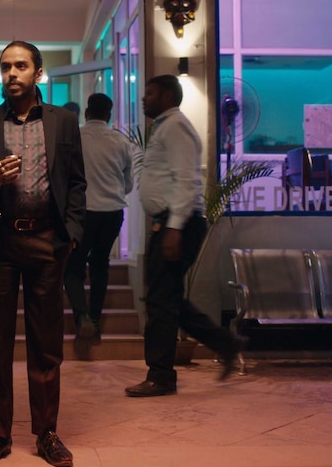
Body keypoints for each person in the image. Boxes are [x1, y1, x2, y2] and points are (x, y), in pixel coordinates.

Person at [0, 40, 86, 467]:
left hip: (48, 243)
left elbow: (77, 183)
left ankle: (47, 433)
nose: (11, 74)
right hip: (0, 244)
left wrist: (72, 233)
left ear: (38, 72)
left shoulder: (65, 122)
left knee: (46, 345)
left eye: (20, 66)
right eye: (5, 67)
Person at [127, 75, 244, 398]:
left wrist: (174, 228)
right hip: (168, 223)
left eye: (149, 92)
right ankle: (225, 343)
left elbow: (186, 181)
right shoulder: (165, 126)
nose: (143, 98)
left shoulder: (176, 126)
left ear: (166, 94)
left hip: (177, 223)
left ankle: (161, 376)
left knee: (161, 303)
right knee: (166, 299)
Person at [64, 93, 133, 354]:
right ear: (110, 115)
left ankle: (81, 316)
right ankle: (95, 319)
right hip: (112, 211)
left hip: (82, 212)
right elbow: (128, 183)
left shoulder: (75, 138)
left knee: (73, 266)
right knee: (100, 263)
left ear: (86, 113)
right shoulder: (120, 140)